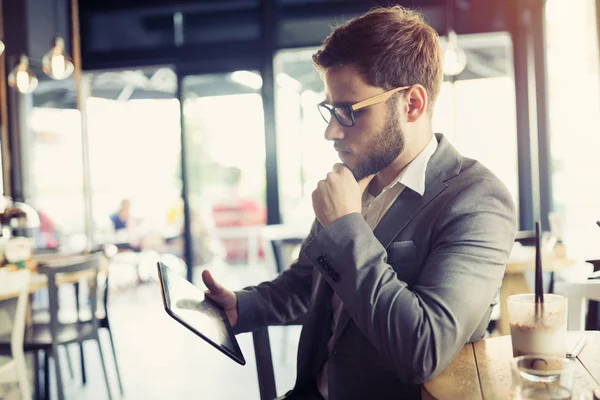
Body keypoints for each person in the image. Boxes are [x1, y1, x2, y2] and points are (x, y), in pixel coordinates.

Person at [202, 6, 517, 400]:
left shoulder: (477, 200)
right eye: (330, 110)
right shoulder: (357, 176)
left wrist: (346, 226)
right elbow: (311, 283)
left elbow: (423, 349)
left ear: (412, 104)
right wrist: (242, 307)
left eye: (348, 111)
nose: (331, 131)